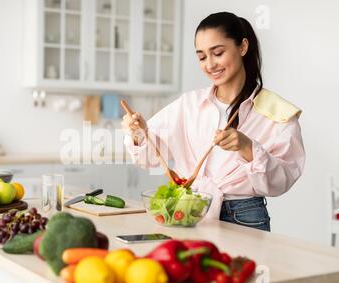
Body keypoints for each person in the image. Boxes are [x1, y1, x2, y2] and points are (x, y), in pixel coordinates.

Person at [122, 12, 305, 232]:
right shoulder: (188, 104)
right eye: (201, 57)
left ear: (243, 47)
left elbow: (282, 181)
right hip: (189, 210)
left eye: (218, 53)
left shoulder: (277, 112)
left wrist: (248, 148)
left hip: (244, 215)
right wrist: (138, 132)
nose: (210, 64)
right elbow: (150, 158)